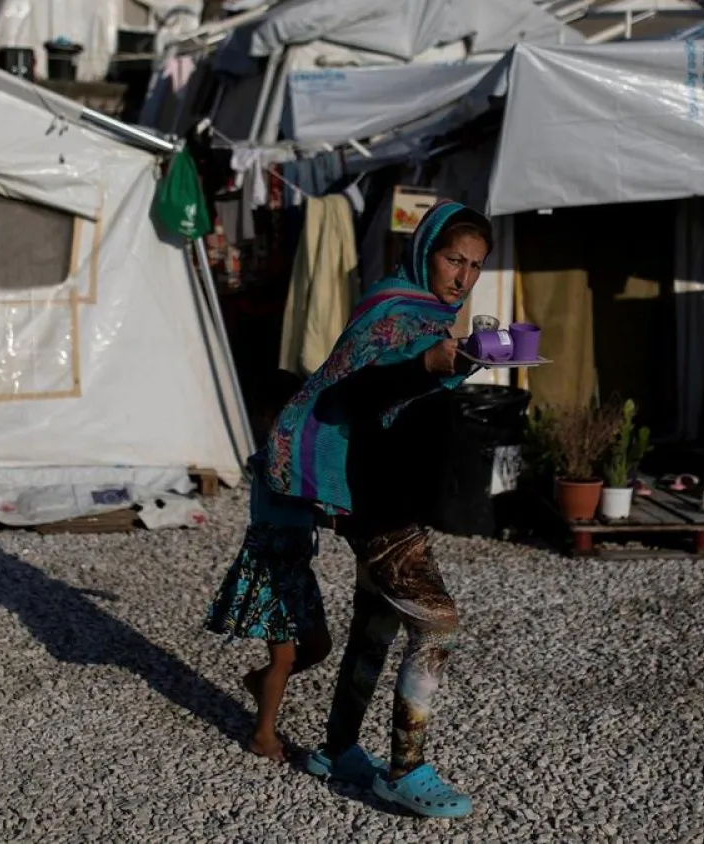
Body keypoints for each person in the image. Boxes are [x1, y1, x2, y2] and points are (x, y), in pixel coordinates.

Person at [262, 200, 491, 818]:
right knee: (437, 622)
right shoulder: (390, 311)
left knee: (378, 619)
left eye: (474, 266)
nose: (462, 276)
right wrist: (428, 364)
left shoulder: (437, 321)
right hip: (375, 499)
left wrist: (455, 365)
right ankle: (404, 769)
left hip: (402, 497)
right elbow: (354, 390)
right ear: (427, 251)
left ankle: (337, 750)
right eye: (453, 259)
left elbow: (417, 399)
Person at [205, 376, 332, 763]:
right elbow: (298, 495)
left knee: (318, 647)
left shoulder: (292, 460)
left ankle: (259, 682)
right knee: (285, 658)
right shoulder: (272, 463)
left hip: (295, 569)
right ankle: (262, 734)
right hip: (272, 572)